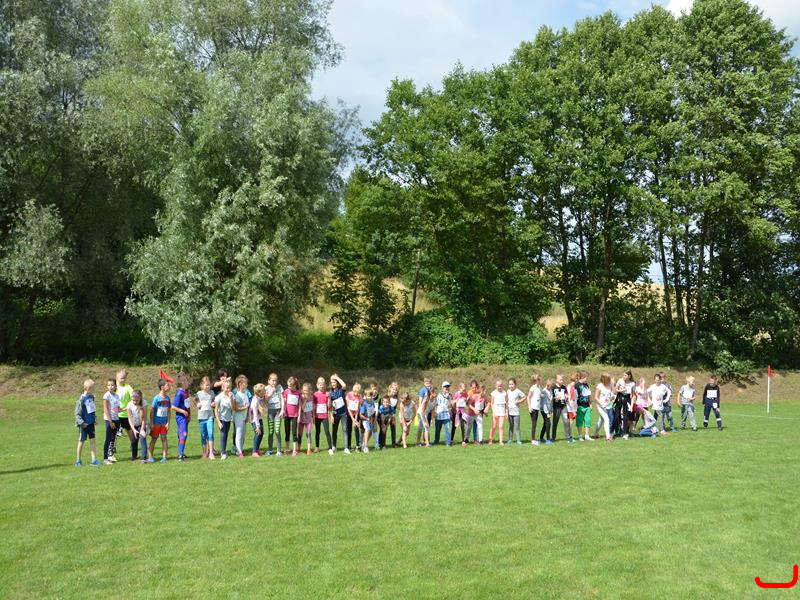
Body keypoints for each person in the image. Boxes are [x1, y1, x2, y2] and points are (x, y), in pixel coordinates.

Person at [75, 379, 100, 467]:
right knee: (81, 441)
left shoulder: (92, 397)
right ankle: (78, 460)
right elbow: (77, 414)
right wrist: (82, 423)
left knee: (92, 441)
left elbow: (92, 409)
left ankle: (93, 460)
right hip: (84, 425)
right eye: (93, 388)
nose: (94, 389)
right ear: (88, 388)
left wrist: (94, 418)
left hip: (91, 424)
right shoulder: (81, 400)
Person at [148, 378, 172, 462]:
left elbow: (169, 411)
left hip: (164, 423)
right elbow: (151, 411)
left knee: (164, 439)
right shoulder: (156, 398)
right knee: (154, 439)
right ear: (162, 387)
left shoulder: (168, 398)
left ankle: (164, 457)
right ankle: (150, 456)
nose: (169, 387)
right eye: (167, 385)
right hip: (156, 423)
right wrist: (151, 423)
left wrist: (168, 422)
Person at [115, 369, 135, 461]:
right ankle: (113, 448)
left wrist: (126, 408)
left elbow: (133, 398)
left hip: (126, 415)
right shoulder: (114, 388)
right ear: (117, 377)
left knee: (130, 432)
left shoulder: (128, 387)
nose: (123, 380)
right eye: (121, 378)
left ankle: (133, 446)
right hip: (116, 415)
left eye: (124, 378)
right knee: (114, 433)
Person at [195, 376, 216, 459]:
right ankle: (204, 452)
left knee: (210, 433)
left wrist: (213, 404)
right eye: (206, 385)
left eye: (209, 385)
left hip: (210, 416)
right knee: (203, 435)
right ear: (202, 385)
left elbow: (214, 401)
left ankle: (211, 452)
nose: (208, 386)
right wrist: (197, 404)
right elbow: (195, 400)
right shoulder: (199, 393)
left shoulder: (212, 392)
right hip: (201, 418)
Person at [172, 374, 191, 461]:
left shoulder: (186, 392)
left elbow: (187, 404)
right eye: (186, 381)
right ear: (182, 382)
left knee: (183, 435)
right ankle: (180, 455)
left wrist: (189, 414)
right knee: (184, 434)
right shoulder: (179, 393)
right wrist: (183, 411)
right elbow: (173, 407)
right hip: (181, 418)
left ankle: (181, 452)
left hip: (186, 417)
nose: (188, 382)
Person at [102, 378, 121, 464]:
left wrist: (127, 409)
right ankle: (105, 459)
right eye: (109, 385)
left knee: (113, 438)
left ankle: (111, 456)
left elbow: (117, 409)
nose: (110, 386)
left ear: (115, 386)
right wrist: (110, 421)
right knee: (108, 438)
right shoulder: (106, 396)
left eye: (112, 385)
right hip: (109, 420)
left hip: (116, 419)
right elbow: (106, 409)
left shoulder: (117, 396)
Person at [214, 379, 234, 460]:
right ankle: (223, 453)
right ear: (222, 388)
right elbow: (216, 410)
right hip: (221, 418)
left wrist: (231, 399)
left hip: (228, 418)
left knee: (226, 434)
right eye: (227, 388)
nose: (228, 389)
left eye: (229, 388)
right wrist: (218, 422)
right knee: (223, 434)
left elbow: (233, 408)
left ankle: (224, 451)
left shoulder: (231, 395)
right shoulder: (219, 397)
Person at [127, 390, 149, 464]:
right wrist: (133, 430)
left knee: (142, 438)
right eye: (133, 400)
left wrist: (142, 430)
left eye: (137, 400)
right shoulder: (129, 405)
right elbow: (129, 419)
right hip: (134, 424)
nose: (135, 402)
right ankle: (134, 456)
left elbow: (144, 418)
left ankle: (143, 458)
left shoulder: (144, 403)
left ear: (140, 398)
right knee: (133, 440)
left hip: (143, 423)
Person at [313, 376, 334, 454]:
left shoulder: (327, 394)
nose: (321, 386)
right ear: (317, 385)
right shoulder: (315, 394)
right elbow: (313, 406)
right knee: (317, 432)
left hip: (325, 416)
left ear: (325, 385)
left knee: (327, 431)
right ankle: (317, 447)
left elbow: (329, 406)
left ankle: (330, 448)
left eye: (323, 384)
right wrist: (313, 416)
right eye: (320, 384)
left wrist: (329, 398)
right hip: (317, 416)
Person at [265, 373, 284, 456]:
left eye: (276, 380)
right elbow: (265, 400)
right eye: (273, 380)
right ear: (269, 381)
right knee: (271, 431)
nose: (274, 382)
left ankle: (279, 451)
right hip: (270, 412)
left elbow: (282, 399)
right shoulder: (266, 388)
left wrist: (282, 410)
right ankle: (270, 450)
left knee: (277, 431)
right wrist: (271, 392)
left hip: (278, 412)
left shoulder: (279, 387)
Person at [232, 375, 251, 458]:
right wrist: (245, 407)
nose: (246, 385)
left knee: (243, 435)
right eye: (245, 383)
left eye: (246, 383)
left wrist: (247, 417)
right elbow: (236, 408)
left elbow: (247, 406)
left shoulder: (245, 394)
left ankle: (241, 449)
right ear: (240, 384)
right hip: (238, 417)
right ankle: (239, 452)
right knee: (239, 434)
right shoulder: (237, 395)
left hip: (243, 417)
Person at [283, 376, 301, 457]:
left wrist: (299, 415)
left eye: (290, 386)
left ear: (295, 385)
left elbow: (299, 405)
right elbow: (284, 402)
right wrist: (283, 411)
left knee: (294, 432)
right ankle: (287, 448)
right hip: (287, 415)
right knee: (287, 432)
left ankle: (294, 450)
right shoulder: (286, 391)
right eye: (288, 385)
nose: (288, 387)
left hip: (295, 415)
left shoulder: (298, 393)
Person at [329, 374, 347, 453]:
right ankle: (334, 446)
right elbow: (330, 406)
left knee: (344, 429)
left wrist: (336, 377)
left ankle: (346, 448)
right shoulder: (330, 393)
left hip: (343, 413)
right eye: (332, 382)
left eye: (334, 382)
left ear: (337, 382)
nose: (333, 384)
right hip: (335, 414)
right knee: (334, 430)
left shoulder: (341, 390)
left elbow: (344, 385)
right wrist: (331, 416)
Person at [551, 374, 572, 443]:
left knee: (566, 421)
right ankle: (553, 437)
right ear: (557, 380)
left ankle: (568, 437)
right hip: (556, 407)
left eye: (562, 380)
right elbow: (550, 397)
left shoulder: (564, 387)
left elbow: (566, 394)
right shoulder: (553, 387)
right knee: (555, 422)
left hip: (563, 406)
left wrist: (566, 396)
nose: (562, 381)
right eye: (560, 379)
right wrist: (555, 398)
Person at [613, 370, 634, 439]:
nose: (623, 376)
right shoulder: (620, 380)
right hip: (619, 397)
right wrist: (620, 390)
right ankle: (615, 431)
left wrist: (631, 406)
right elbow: (615, 390)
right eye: (623, 375)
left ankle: (624, 433)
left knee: (625, 417)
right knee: (616, 416)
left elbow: (633, 395)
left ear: (629, 376)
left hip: (627, 398)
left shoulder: (632, 383)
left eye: (625, 375)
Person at [593, 373, 613, 442]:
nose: (610, 380)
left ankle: (595, 433)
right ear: (605, 379)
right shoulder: (599, 386)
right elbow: (596, 397)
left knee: (601, 420)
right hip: (600, 406)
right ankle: (608, 437)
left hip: (607, 405)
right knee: (606, 419)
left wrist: (612, 396)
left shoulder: (610, 385)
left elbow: (612, 393)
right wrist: (602, 404)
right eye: (608, 379)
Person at [506, 378, 525, 445]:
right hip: (509, 412)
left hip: (516, 412)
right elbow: (506, 401)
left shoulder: (518, 391)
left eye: (512, 384)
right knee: (511, 426)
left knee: (517, 427)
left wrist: (519, 401)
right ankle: (510, 439)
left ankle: (518, 440)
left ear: (515, 384)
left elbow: (524, 397)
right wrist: (506, 412)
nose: (511, 386)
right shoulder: (508, 391)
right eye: (509, 384)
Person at [465, 381, 485, 445]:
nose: (474, 389)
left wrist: (485, 409)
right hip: (470, 413)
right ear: (470, 387)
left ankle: (480, 440)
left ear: (477, 387)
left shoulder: (479, 393)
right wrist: (474, 409)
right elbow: (467, 404)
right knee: (469, 427)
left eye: (475, 387)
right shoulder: (469, 393)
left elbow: (485, 400)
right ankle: (466, 439)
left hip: (478, 414)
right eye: (473, 387)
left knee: (480, 426)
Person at [576, 371, 594, 442]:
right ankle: (580, 436)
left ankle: (587, 436)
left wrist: (590, 404)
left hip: (587, 406)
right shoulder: (577, 385)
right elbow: (575, 397)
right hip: (579, 406)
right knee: (579, 421)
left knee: (588, 420)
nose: (587, 379)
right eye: (586, 378)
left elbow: (589, 395)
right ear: (582, 377)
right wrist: (575, 406)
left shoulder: (586, 385)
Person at [434, 382, 453, 447]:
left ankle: (448, 442)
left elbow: (451, 406)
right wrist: (435, 413)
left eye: (448, 387)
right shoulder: (438, 395)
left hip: (446, 415)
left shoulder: (450, 396)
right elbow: (435, 405)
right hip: (439, 415)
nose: (447, 388)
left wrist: (448, 399)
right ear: (442, 388)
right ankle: (436, 441)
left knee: (447, 429)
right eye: (445, 387)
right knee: (437, 430)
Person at [250, 383, 266, 457]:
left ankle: (257, 449)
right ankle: (254, 452)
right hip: (254, 420)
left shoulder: (260, 398)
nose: (265, 391)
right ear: (259, 392)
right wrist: (257, 425)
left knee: (261, 433)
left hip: (259, 419)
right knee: (258, 433)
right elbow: (255, 414)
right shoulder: (255, 400)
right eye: (264, 390)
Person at [346, 383, 363, 453]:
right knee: (349, 430)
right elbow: (348, 408)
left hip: (356, 414)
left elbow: (357, 409)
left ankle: (357, 446)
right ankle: (348, 446)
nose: (357, 394)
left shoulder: (359, 397)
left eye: (358, 392)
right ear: (354, 390)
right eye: (356, 392)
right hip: (349, 414)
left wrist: (355, 419)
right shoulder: (348, 395)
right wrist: (352, 419)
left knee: (356, 429)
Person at [415, 377, 433, 447]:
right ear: (424, 383)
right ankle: (427, 443)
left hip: (427, 411)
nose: (427, 383)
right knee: (426, 426)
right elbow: (420, 400)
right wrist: (421, 410)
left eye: (429, 382)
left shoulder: (431, 389)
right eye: (426, 382)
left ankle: (418, 442)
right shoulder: (422, 390)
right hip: (422, 411)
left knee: (420, 426)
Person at [488, 379, 506, 446]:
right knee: (494, 426)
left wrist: (506, 412)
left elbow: (506, 403)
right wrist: (494, 412)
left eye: (500, 386)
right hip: (496, 411)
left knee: (501, 426)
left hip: (502, 411)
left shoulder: (504, 392)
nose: (499, 387)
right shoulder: (493, 393)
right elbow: (492, 403)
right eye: (498, 386)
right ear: (496, 386)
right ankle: (490, 440)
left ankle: (501, 441)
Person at [359, 388, 377, 453]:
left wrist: (371, 419)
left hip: (370, 419)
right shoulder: (364, 403)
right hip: (364, 420)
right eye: (368, 396)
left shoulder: (372, 402)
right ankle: (366, 446)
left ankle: (364, 443)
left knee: (371, 432)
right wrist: (367, 419)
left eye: (371, 396)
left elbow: (372, 412)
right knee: (367, 429)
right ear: (365, 396)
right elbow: (361, 415)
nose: (370, 397)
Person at [299, 383, 315, 455]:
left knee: (308, 433)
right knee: (300, 434)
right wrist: (305, 400)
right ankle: (298, 448)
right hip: (301, 419)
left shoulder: (312, 397)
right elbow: (302, 409)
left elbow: (313, 408)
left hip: (308, 419)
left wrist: (313, 417)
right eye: (304, 390)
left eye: (306, 390)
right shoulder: (301, 397)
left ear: (310, 390)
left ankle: (309, 449)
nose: (305, 392)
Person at [527, 374, 542, 446]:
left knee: (535, 423)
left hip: (537, 408)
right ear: (534, 381)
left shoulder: (539, 387)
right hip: (533, 408)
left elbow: (539, 395)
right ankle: (533, 440)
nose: (538, 381)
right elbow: (528, 397)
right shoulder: (532, 388)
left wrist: (541, 396)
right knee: (534, 423)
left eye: (539, 379)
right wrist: (529, 407)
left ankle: (533, 439)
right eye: (537, 380)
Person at [540, 379, 554, 445]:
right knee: (548, 423)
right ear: (547, 385)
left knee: (545, 424)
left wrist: (551, 410)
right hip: (543, 410)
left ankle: (541, 438)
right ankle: (548, 439)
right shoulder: (544, 391)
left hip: (548, 410)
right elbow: (544, 402)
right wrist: (547, 412)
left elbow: (550, 402)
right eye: (550, 386)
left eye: (551, 386)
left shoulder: (550, 391)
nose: (551, 387)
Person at [386, 382, 399, 447]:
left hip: (392, 415)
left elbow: (394, 408)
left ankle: (393, 443)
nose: (394, 391)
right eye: (393, 389)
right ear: (390, 389)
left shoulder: (396, 398)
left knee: (393, 428)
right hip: (385, 415)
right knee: (384, 429)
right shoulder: (387, 396)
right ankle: (382, 444)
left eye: (396, 390)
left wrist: (393, 415)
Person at [566, 373, 578, 442]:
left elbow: (575, 399)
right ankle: (569, 437)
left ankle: (570, 436)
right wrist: (573, 411)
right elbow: (571, 400)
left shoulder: (573, 388)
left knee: (571, 422)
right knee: (570, 423)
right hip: (570, 408)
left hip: (572, 408)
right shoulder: (571, 387)